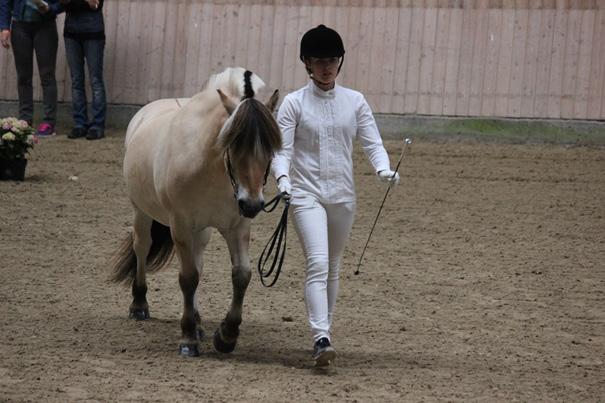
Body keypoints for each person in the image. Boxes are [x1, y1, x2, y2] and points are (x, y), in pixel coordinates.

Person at [271, 24, 400, 367]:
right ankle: (321, 337)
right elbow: (281, 150)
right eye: (319, 60)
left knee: (333, 265)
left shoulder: (355, 101)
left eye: (332, 60)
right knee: (317, 262)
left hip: (343, 196)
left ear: (339, 62)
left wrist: (383, 168)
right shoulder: (293, 104)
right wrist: (282, 178)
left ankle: (324, 331)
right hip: (305, 193)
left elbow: (372, 142)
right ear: (307, 63)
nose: (326, 66)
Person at [0, 0, 61, 136]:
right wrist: (4, 26)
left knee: (47, 75)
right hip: (20, 26)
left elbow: (62, 3)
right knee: (23, 76)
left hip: (45, 26)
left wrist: (50, 9)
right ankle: (25, 120)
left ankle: (49, 122)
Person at [60, 0, 106, 140]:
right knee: (76, 80)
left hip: (94, 33)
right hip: (71, 34)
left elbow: (96, 5)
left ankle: (97, 125)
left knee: (95, 80)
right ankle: (80, 123)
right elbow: (64, 4)